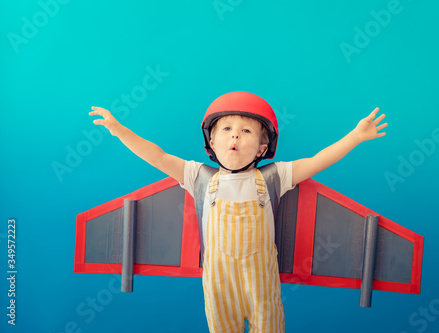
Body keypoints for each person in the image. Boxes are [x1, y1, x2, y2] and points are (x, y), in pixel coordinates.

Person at [89, 91, 387, 333]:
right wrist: (119, 131)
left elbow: (319, 160)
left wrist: (355, 137)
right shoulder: (198, 177)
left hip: (261, 281)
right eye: (226, 129)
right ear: (212, 142)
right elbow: (156, 155)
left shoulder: (275, 177)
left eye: (246, 131)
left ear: (261, 147)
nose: (235, 137)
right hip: (217, 282)